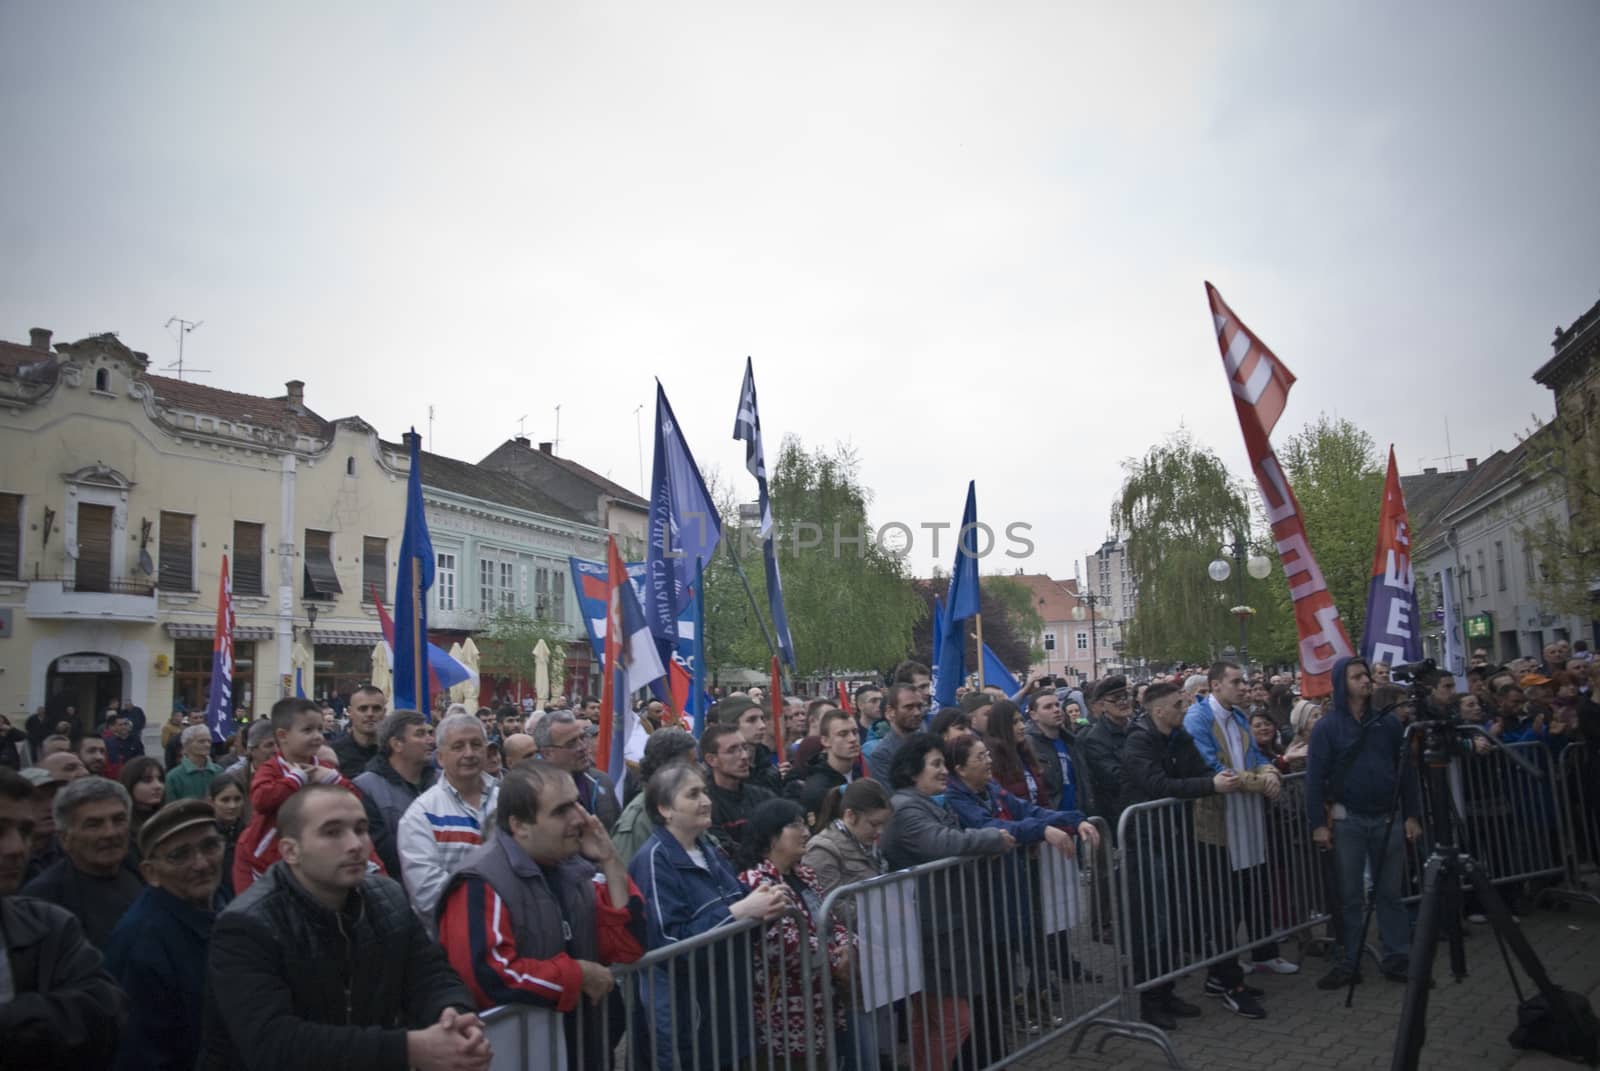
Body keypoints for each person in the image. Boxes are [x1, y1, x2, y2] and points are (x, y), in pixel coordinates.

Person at [200, 784, 492, 1071]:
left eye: (361, 829)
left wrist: (453, 1015)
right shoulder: (246, 926)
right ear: (290, 851)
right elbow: (274, 1043)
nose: (354, 844)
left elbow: (431, 974)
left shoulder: (387, 896)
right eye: (332, 832)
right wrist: (408, 1049)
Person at [438, 760, 646, 1071]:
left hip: (581, 1044)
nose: (580, 817)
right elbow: (489, 976)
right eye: (561, 810)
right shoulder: (481, 881)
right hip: (519, 1053)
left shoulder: (573, 868)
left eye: (577, 802)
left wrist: (610, 859)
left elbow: (627, 945)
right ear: (520, 825)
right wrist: (577, 975)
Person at [628, 764, 789, 1071]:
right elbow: (669, 943)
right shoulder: (654, 861)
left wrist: (765, 907)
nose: (706, 800)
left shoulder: (708, 849)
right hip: (692, 1020)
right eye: (693, 794)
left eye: (704, 791)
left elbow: (741, 901)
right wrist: (738, 913)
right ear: (665, 809)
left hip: (730, 1012)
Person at [1121, 681, 1259, 1027]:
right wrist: (1209, 786)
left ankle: (1166, 993)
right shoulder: (1139, 741)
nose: (1185, 710)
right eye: (1178, 706)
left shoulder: (1179, 737)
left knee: (1173, 921)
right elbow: (1158, 786)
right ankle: (1151, 1001)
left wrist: (1222, 776)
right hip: (1148, 841)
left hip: (1176, 837)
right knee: (1153, 925)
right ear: (1158, 711)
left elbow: (1199, 770)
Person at [879, 734, 1015, 1071]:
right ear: (913, 772)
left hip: (940, 927)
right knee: (955, 1021)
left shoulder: (928, 802)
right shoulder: (906, 807)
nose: (944, 772)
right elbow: (942, 842)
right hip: (930, 931)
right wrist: (992, 839)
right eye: (936, 764)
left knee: (932, 1022)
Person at [1306, 656, 1422, 989]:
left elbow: (1405, 772)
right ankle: (1349, 959)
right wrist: (1319, 823)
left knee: (1389, 892)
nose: (1366, 681)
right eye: (1357, 676)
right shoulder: (1327, 728)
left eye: (1367, 675)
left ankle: (1398, 956)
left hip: (1388, 819)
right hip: (1349, 821)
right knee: (1350, 895)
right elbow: (1315, 779)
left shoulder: (1388, 723)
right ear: (1343, 683)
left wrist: (1411, 814)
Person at [0, 767, 125, 1069]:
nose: (16, 848)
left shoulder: (49, 924)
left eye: (25, 832)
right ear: (65, 838)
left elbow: (103, 1013)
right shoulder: (48, 893)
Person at [1182, 662, 1293, 978]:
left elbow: (1256, 757)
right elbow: (1210, 765)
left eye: (1244, 682)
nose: (1244, 687)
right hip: (1219, 820)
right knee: (1224, 897)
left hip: (1249, 817)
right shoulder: (1198, 718)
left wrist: (1270, 771)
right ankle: (1224, 966)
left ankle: (1265, 951)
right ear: (1215, 685)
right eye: (1236, 682)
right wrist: (1262, 782)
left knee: (1256, 886)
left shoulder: (1241, 716)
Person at [104, 799, 226, 1071]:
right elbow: (140, 1055)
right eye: (179, 855)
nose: (201, 863)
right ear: (151, 873)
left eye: (210, 846)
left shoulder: (218, 901)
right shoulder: (141, 942)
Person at [735, 798, 853, 1066]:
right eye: (795, 825)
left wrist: (849, 947)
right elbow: (784, 944)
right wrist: (837, 961)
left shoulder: (806, 875)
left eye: (804, 824)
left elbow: (831, 920)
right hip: (785, 1013)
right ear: (770, 836)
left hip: (822, 1005)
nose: (806, 832)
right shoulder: (757, 882)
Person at [232, 697, 365, 894]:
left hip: (316, 860)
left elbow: (356, 802)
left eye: (320, 729)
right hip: (266, 861)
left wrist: (334, 780)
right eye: (307, 730)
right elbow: (260, 800)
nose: (317, 736)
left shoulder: (325, 769)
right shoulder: (271, 769)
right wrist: (295, 780)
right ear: (283, 735)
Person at [397, 712, 499, 932]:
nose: (469, 753)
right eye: (458, 746)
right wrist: (496, 906)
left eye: (476, 744)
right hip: (451, 938)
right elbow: (427, 892)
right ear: (440, 757)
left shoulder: (508, 799)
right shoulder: (421, 814)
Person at [22, 775, 143, 947]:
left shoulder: (142, 869)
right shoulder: (43, 898)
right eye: (93, 824)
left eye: (118, 820)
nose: (110, 833)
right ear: (65, 838)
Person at [354, 711, 438, 879]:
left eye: (430, 733)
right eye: (420, 734)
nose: (431, 741)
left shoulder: (443, 782)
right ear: (397, 744)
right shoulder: (365, 787)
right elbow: (381, 847)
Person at [611, 728, 698, 865]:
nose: (701, 769)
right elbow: (627, 878)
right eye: (693, 763)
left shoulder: (685, 804)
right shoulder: (639, 820)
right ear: (670, 767)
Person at [533, 710, 620, 831]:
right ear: (547, 753)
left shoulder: (602, 781)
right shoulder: (532, 791)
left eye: (582, 738)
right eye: (571, 743)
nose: (582, 747)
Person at [702, 721, 777, 856]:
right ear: (712, 759)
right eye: (732, 750)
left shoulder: (764, 796)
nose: (744, 756)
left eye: (744, 748)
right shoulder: (705, 805)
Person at [787, 708, 869, 826]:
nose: (852, 739)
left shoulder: (863, 774)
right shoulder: (818, 789)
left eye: (855, 732)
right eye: (843, 734)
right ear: (825, 741)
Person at [1080, 676, 1137, 835]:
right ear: (1102, 705)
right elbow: (1114, 777)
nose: (1123, 702)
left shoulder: (1139, 727)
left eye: (1125, 696)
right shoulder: (1095, 739)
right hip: (1121, 815)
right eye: (1116, 699)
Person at [1025, 688, 1090, 814]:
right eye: (1048, 707)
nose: (1056, 710)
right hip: (1051, 819)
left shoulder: (1071, 741)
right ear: (1034, 715)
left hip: (1078, 817)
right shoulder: (1029, 745)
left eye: (1057, 705)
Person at [866, 683, 928, 783]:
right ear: (891, 712)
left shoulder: (929, 744)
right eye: (909, 707)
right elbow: (892, 796)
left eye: (919, 706)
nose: (917, 712)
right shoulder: (882, 755)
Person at [208, 770, 249, 900]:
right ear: (212, 801)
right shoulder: (205, 837)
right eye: (225, 800)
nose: (232, 805)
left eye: (237, 799)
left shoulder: (248, 833)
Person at [331, 684, 387, 779]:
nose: (370, 714)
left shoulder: (395, 753)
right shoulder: (333, 753)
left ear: (384, 712)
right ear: (350, 712)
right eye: (363, 709)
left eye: (376, 709)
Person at [119, 755, 167, 864]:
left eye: (160, 779)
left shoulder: (169, 819)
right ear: (130, 784)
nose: (158, 786)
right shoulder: (122, 828)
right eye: (147, 780)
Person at [166, 723, 224, 801]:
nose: (207, 745)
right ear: (186, 745)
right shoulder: (174, 777)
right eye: (201, 741)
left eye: (209, 741)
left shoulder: (219, 771)